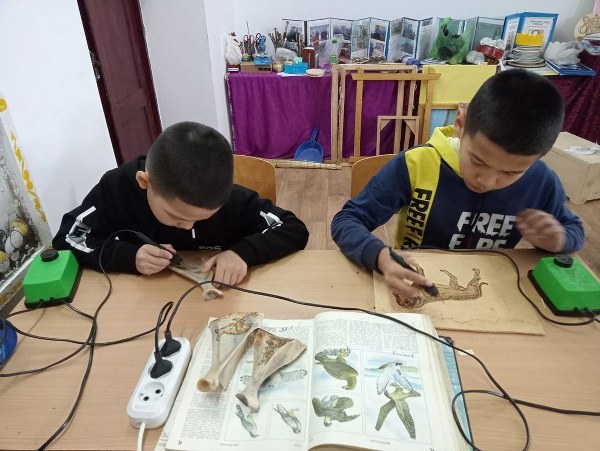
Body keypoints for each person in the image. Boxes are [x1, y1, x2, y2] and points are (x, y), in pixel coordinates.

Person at [331, 69, 584, 299]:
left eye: (510, 173)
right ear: (460, 124)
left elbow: (574, 231)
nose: (487, 181)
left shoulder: (541, 181)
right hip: (417, 286)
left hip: (492, 292)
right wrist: (379, 256)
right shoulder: (417, 164)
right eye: (478, 161)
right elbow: (347, 220)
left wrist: (557, 240)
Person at [53, 122, 309, 285]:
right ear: (144, 182)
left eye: (203, 218)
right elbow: (68, 238)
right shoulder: (118, 188)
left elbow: (293, 228)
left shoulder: (231, 198)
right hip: (144, 304)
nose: (188, 227)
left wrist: (243, 252)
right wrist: (127, 256)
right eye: (176, 216)